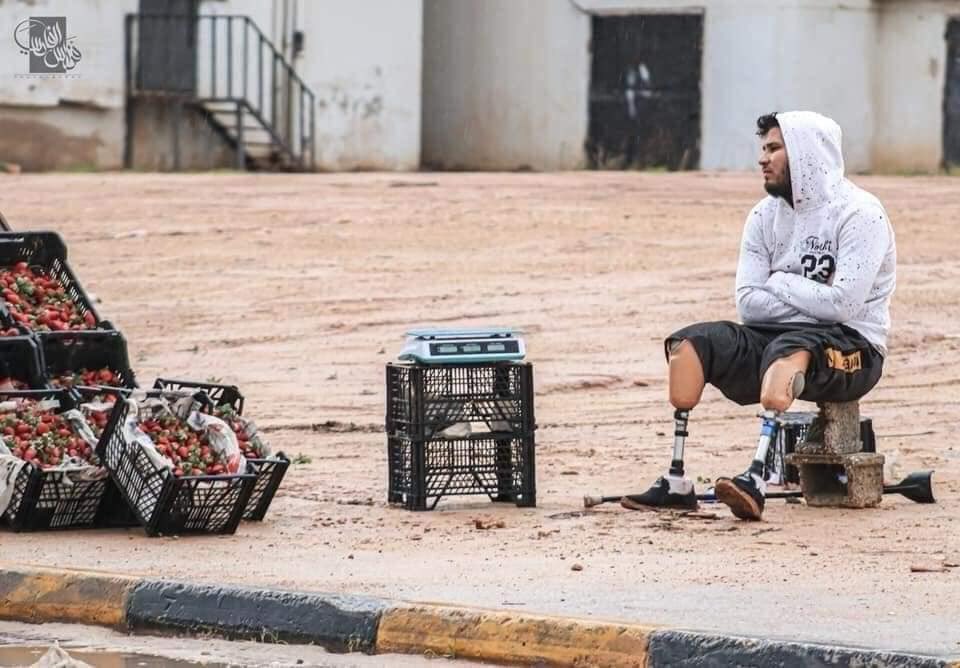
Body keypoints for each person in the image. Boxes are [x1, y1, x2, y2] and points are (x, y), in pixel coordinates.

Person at [624, 110, 897, 520]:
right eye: (763, 149)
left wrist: (780, 281)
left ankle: (756, 478)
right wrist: (812, 300)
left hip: (854, 347)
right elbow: (749, 304)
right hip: (774, 335)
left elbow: (843, 305)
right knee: (693, 344)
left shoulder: (861, 213)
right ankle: (676, 480)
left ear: (805, 153)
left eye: (773, 148)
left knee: (789, 351)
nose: (762, 159)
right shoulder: (763, 216)